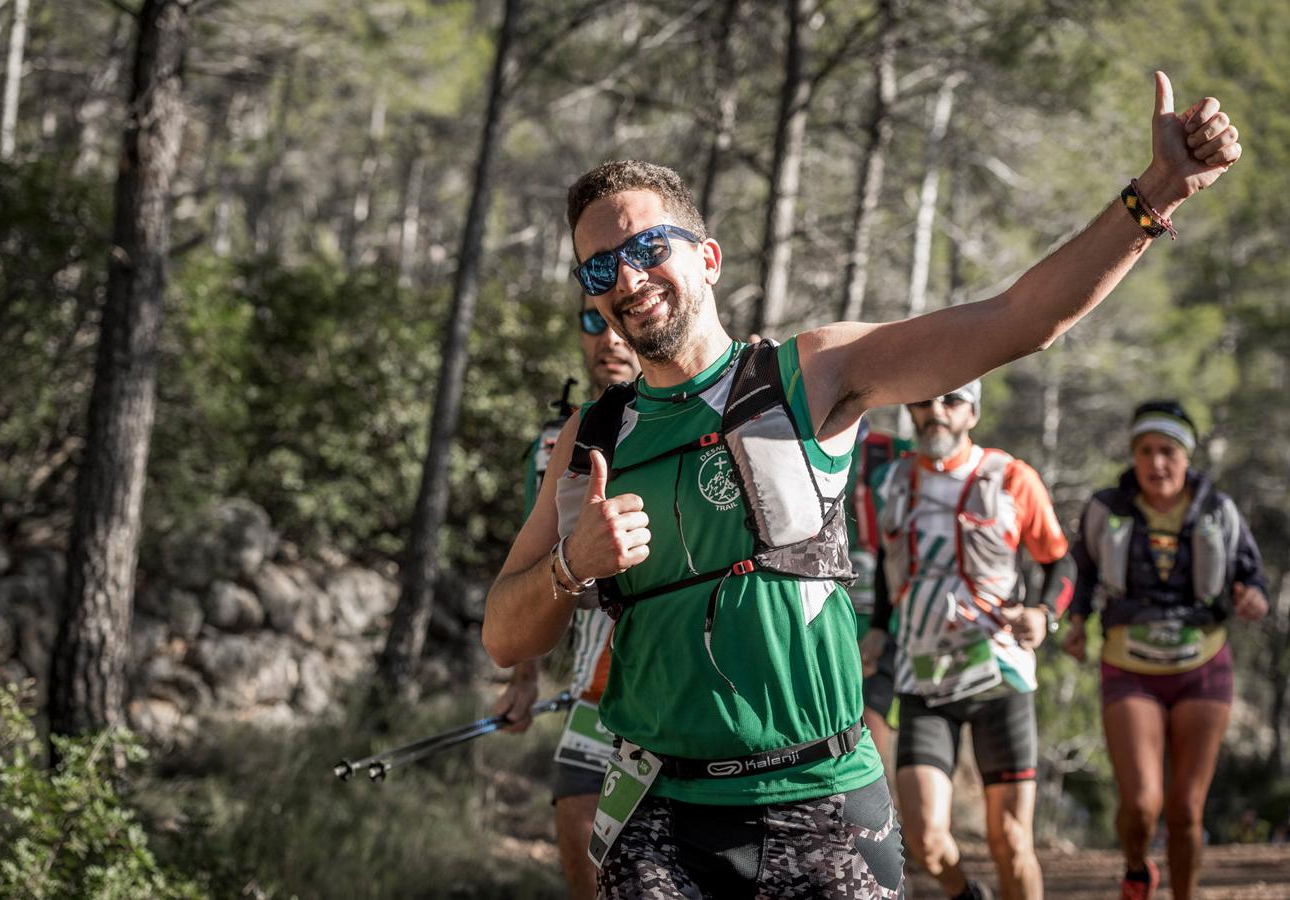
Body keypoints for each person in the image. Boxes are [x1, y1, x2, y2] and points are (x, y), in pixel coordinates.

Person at [483, 72, 1240, 899]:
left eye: (643, 250)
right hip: (655, 811)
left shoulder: (810, 373)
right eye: (598, 271)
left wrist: (1157, 192)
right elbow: (504, 635)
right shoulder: (593, 437)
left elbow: (1020, 319)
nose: (626, 282)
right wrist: (570, 563)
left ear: (706, 257)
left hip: (819, 798)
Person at [863, 381, 1073, 900]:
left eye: (951, 400)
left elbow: (1060, 562)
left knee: (1010, 840)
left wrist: (1045, 615)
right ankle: (966, 896)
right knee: (925, 841)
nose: (935, 411)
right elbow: (893, 573)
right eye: (924, 400)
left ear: (972, 413)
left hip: (999, 675)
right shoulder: (889, 483)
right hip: (923, 677)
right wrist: (877, 629)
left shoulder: (1010, 477)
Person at [1063, 399, 1268, 900]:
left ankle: (1185, 894)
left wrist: (1252, 596)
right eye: (1147, 451)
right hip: (1129, 666)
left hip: (1203, 664)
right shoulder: (1105, 509)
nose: (1157, 463)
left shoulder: (1217, 509)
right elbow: (1080, 572)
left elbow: (1249, 572)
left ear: (1187, 456)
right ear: (1133, 455)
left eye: (1168, 451)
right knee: (1140, 803)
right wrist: (1075, 622)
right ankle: (1136, 867)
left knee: (1185, 809)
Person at [492, 294, 640, 900]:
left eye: (620, 322)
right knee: (581, 843)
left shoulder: (697, 420)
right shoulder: (555, 441)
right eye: (592, 321)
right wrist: (524, 677)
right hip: (593, 685)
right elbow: (529, 568)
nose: (609, 339)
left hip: (676, 680)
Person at [848, 418, 912, 757]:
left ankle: (885, 804)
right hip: (825, 616)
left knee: (873, 724)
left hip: (889, 620)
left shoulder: (895, 453)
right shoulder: (797, 439)